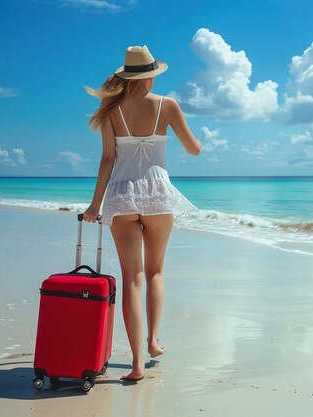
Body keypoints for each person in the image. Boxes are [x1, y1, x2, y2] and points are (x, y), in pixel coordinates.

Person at [82, 45, 202, 381]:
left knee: (132, 280)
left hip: (121, 198)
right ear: (149, 75)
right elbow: (193, 149)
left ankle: (135, 365)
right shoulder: (167, 105)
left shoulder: (110, 112)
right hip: (158, 196)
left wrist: (95, 205)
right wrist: (198, 144)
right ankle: (153, 340)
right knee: (155, 273)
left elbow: (108, 160)